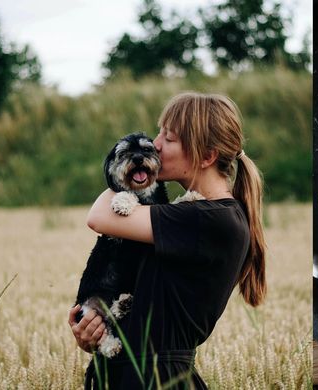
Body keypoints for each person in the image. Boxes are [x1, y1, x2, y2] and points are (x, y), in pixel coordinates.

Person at [67, 92, 267, 389]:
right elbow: (144, 306)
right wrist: (94, 332)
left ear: (207, 156)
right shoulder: (195, 215)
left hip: (155, 380)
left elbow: (99, 215)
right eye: (158, 134)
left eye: (169, 138)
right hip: (133, 374)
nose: (154, 146)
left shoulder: (209, 218)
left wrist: (124, 165)